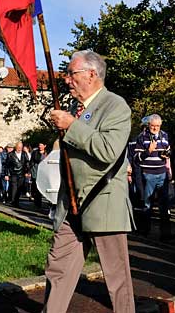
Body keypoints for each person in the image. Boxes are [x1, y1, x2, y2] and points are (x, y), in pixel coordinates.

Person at [44, 50, 135, 313]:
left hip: (103, 201)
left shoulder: (115, 106)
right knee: (58, 267)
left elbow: (108, 150)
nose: (67, 79)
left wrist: (71, 125)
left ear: (92, 75)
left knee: (116, 277)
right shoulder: (77, 109)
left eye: (72, 74)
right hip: (71, 204)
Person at [134, 113, 174, 240]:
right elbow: (137, 158)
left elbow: (169, 151)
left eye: (157, 126)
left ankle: (165, 233)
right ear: (148, 125)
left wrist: (167, 154)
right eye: (153, 126)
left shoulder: (165, 135)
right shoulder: (142, 137)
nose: (155, 128)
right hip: (148, 174)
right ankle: (145, 231)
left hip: (162, 173)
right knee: (147, 204)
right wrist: (148, 151)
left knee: (164, 205)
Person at [5, 141, 29, 207]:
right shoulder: (10, 154)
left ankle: (16, 201)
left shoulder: (24, 154)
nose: (19, 149)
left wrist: (27, 172)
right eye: (18, 147)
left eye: (21, 147)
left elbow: (27, 163)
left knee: (19, 188)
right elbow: (7, 165)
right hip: (13, 174)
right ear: (15, 147)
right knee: (14, 188)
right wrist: (6, 174)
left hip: (21, 174)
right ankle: (13, 201)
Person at [29, 142, 48, 208]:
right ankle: (37, 202)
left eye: (41, 145)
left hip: (44, 172)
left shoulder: (47, 153)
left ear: (45, 146)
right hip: (36, 171)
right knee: (36, 187)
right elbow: (31, 162)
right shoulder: (35, 152)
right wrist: (30, 171)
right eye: (39, 145)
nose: (40, 146)